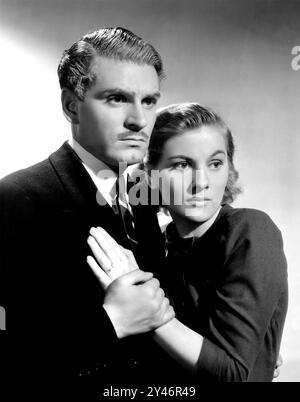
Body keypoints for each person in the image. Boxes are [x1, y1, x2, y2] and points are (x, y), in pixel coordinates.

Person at [0, 27, 176, 393]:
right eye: (116, 99)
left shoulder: (145, 198)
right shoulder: (14, 199)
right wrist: (111, 320)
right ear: (71, 105)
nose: (140, 121)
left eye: (149, 101)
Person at [87, 103, 288, 382]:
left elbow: (232, 374)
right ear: (150, 174)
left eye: (215, 163)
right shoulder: (164, 245)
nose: (201, 182)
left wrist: (148, 306)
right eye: (182, 165)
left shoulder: (250, 229)